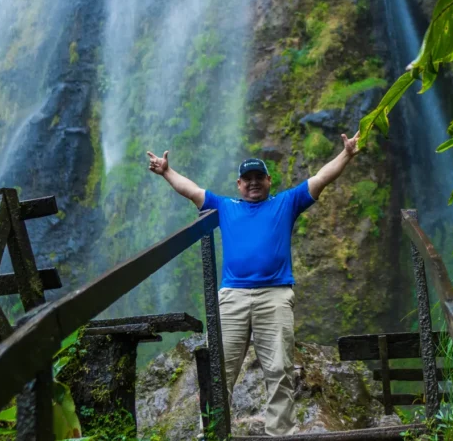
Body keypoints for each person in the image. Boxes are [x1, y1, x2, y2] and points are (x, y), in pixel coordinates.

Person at [147, 131, 361, 436]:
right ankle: (214, 433)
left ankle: (281, 433)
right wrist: (167, 172)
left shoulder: (286, 203)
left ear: (269, 180)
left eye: (259, 177)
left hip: (274, 295)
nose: (253, 182)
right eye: (247, 178)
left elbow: (319, 179)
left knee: (279, 370)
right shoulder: (224, 206)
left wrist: (347, 154)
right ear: (239, 184)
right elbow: (192, 190)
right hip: (232, 296)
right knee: (219, 371)